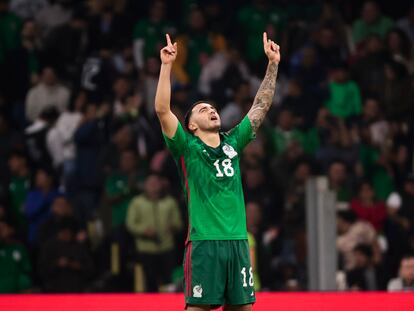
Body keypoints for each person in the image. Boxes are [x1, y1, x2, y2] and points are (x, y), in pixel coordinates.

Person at [154, 32, 280, 310]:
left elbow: (260, 106)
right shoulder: (186, 147)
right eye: (202, 109)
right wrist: (166, 66)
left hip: (237, 241)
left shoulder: (234, 141)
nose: (211, 110)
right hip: (204, 243)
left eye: (212, 107)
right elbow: (163, 110)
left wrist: (273, 63)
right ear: (191, 126)